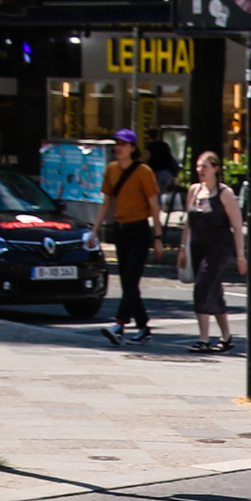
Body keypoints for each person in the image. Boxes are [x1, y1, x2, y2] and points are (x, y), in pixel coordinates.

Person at [94, 128, 159, 346]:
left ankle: (120, 325)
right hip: (120, 230)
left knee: (131, 279)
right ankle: (143, 327)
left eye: (123, 144)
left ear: (133, 148)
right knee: (127, 282)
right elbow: (106, 203)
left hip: (140, 230)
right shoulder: (111, 169)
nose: (118, 148)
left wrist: (158, 237)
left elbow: (154, 205)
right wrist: (94, 230)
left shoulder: (143, 172)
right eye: (117, 143)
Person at [177, 150, 245, 353]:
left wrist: (241, 255)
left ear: (215, 169)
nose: (200, 170)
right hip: (198, 246)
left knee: (202, 288)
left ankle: (203, 339)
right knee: (214, 292)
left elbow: (237, 226)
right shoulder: (194, 191)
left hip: (218, 249)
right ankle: (226, 336)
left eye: (204, 166)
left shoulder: (225, 194)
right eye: (198, 166)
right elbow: (188, 222)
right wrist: (182, 248)